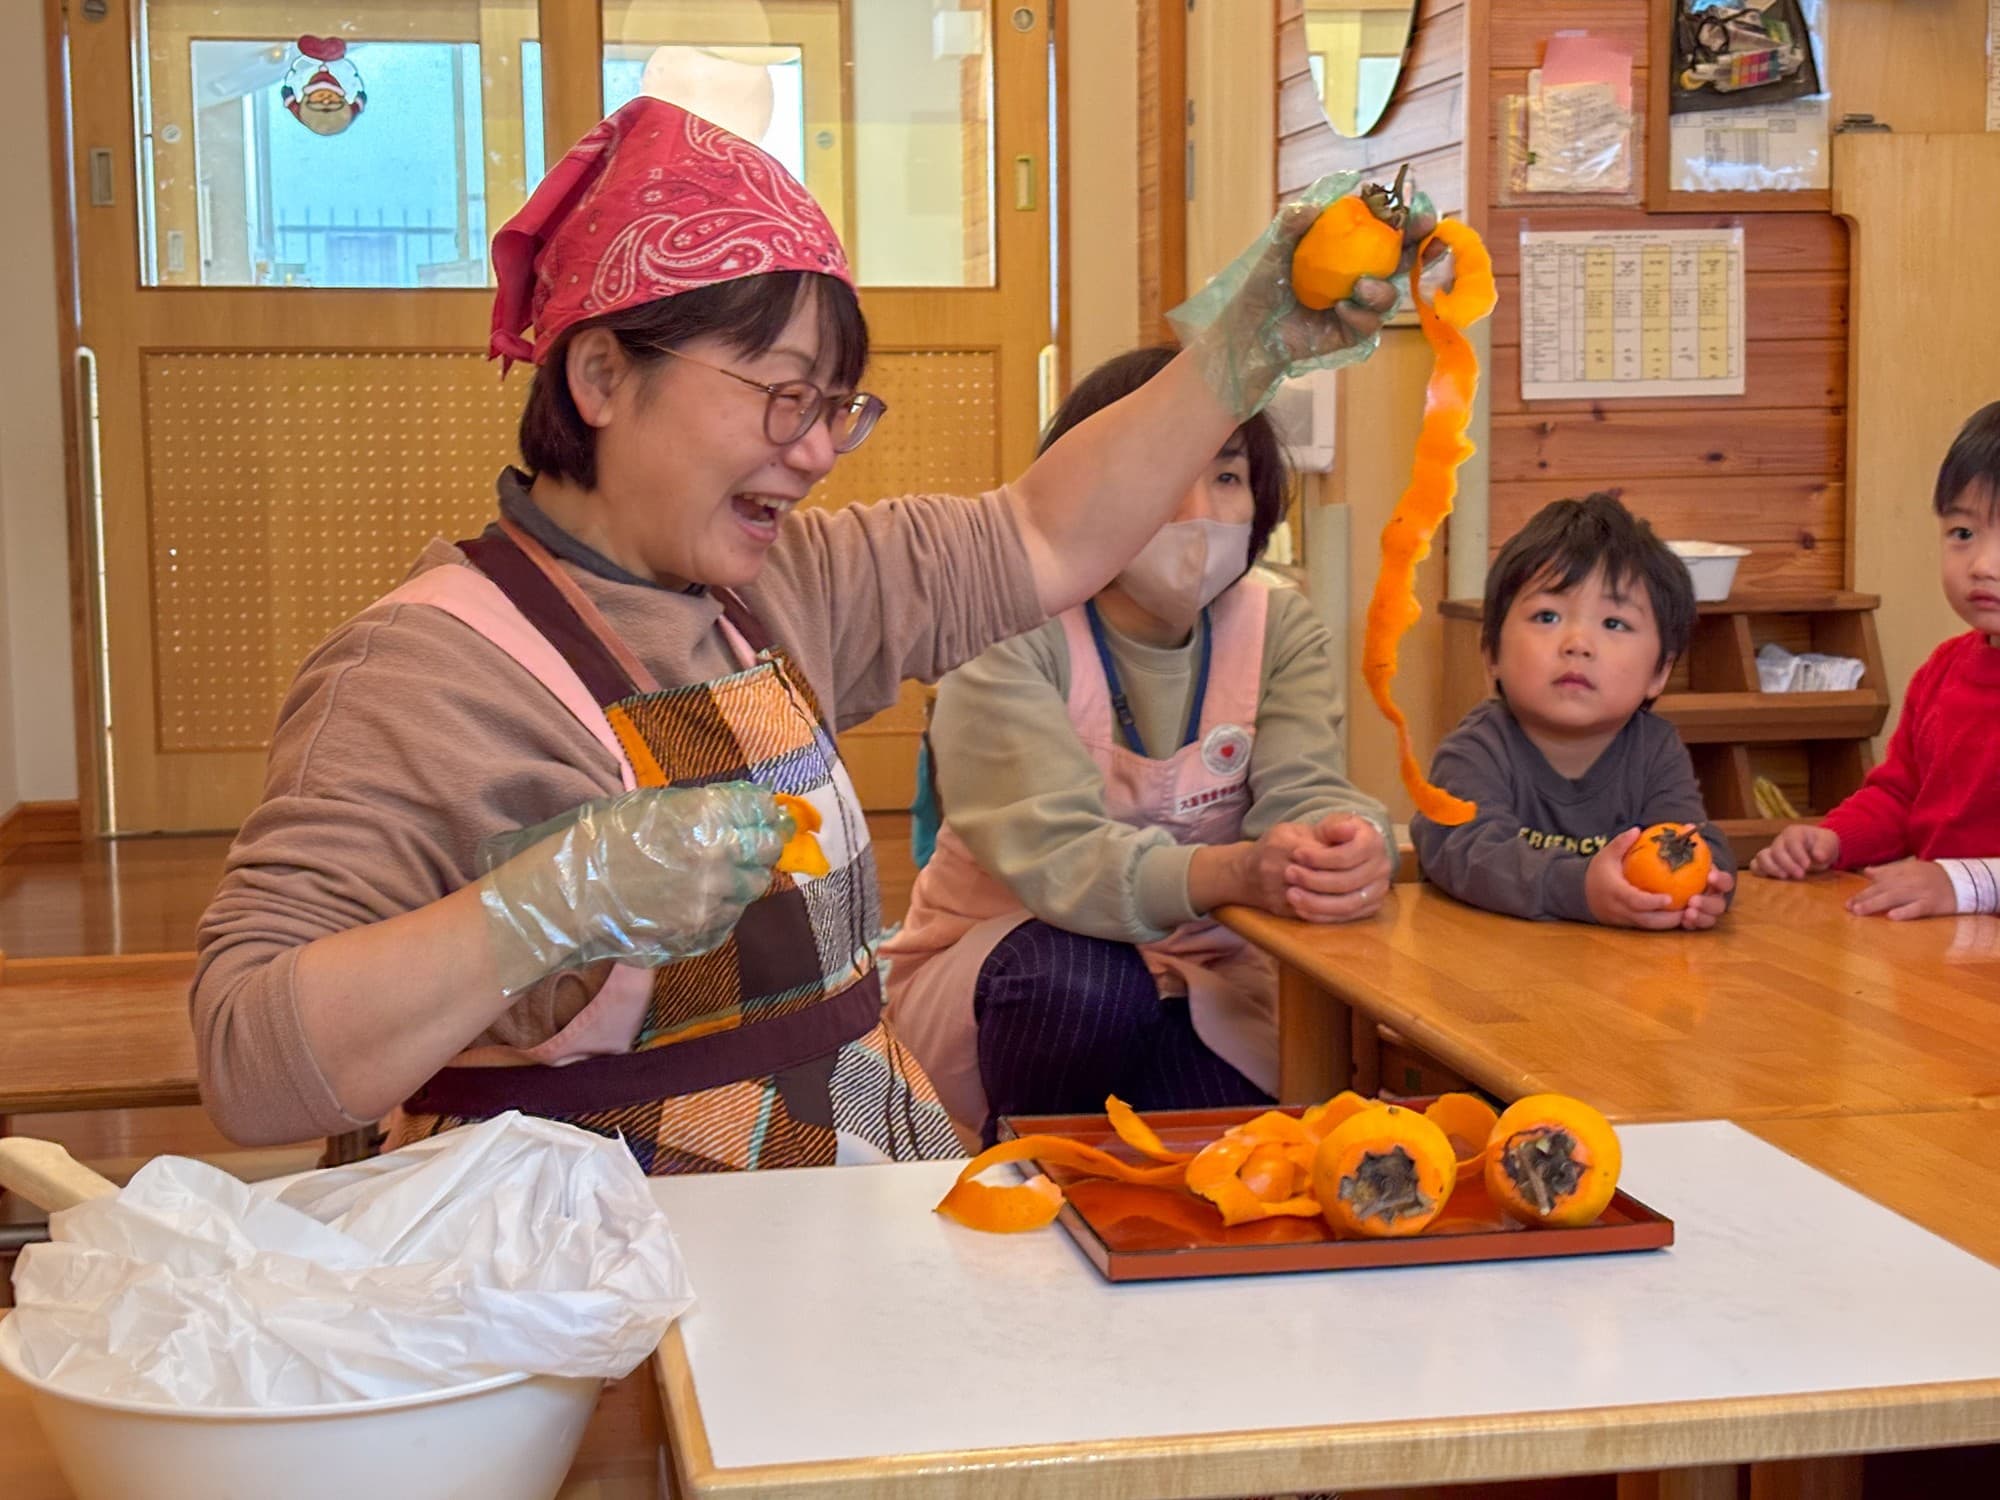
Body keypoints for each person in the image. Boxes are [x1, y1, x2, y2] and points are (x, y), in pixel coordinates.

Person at [190, 99, 1428, 1172]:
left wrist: (1239, 350)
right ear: (603, 378)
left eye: (836, 406)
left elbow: (1045, 537)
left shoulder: (780, 590)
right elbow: (251, 1059)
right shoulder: (420, 674)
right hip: (602, 1267)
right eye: (783, 395)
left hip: (851, 1189)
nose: (819, 449)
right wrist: (543, 906)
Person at [884, 347, 1394, 1142]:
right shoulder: (1008, 624)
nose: (1198, 510)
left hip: (1210, 977)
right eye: (1166, 470)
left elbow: (1306, 789)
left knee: (1214, 1155)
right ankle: (1017, 1180)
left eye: (1226, 477)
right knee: (1086, 986)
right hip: (1013, 967)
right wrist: (1235, 871)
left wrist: (1342, 845)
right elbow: (1058, 858)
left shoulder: (1277, 625)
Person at [1411, 493, 1736, 928]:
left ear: (1660, 671)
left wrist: (1707, 885)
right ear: (1491, 653)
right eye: (1547, 616)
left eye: (1614, 623)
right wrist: (1578, 886)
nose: (1577, 643)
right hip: (1490, 971)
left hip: (1615, 979)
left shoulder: (1654, 749)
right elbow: (1462, 848)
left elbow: (1694, 837)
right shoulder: (1476, 749)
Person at [1750, 403, 2000, 917]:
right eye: (1962, 534)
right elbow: (1900, 796)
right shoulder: (1943, 670)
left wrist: (1963, 883)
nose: (1982, 565)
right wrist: (1832, 841)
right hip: (1942, 958)